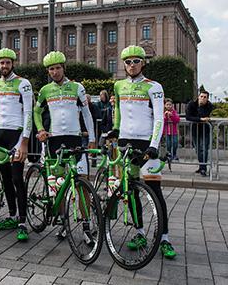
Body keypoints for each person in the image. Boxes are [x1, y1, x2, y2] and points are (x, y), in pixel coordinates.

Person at [107, 45, 176, 259]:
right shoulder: (118, 85)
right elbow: (118, 110)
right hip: (126, 141)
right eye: (128, 62)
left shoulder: (153, 87)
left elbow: (158, 118)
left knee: (155, 191)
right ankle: (139, 232)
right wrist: (116, 130)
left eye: (136, 61)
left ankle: (164, 237)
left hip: (147, 142)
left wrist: (154, 145)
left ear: (143, 63)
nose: (131, 65)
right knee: (132, 190)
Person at [34, 51, 96, 239]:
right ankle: (62, 221)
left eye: (58, 68)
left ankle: (86, 227)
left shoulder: (77, 87)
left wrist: (92, 138)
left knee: (82, 185)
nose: (54, 71)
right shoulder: (45, 90)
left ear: (64, 68)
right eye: (51, 69)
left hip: (75, 140)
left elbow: (86, 114)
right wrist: (40, 130)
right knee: (59, 186)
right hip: (54, 141)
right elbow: (36, 112)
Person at [0, 48, 33, 241]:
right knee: (5, 179)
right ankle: (12, 215)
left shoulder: (23, 83)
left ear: (13, 63)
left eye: (7, 62)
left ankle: (22, 221)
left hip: (16, 133)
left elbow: (29, 113)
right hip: (0, 135)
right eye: (1, 63)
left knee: (16, 179)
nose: (4, 66)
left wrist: (24, 142)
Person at [185, 90, 213, 176]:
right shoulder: (191, 104)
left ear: (207, 99)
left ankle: (203, 169)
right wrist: (200, 119)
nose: (202, 98)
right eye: (201, 96)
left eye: (205, 97)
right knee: (198, 150)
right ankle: (202, 166)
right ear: (198, 96)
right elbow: (188, 117)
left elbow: (206, 115)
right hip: (195, 130)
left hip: (205, 130)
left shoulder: (209, 105)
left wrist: (200, 108)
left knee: (204, 149)